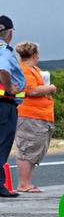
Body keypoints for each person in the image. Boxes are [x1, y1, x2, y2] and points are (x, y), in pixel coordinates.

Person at [14, 42, 56, 193]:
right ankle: (23, 183)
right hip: (30, 115)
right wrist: (50, 88)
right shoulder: (24, 70)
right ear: (34, 55)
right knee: (28, 147)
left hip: (41, 115)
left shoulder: (35, 70)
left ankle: (27, 182)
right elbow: (31, 90)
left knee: (35, 149)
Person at [0, 15, 25, 197]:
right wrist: (9, 89)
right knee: (2, 145)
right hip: (4, 104)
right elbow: (3, 69)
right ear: (9, 33)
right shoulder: (4, 51)